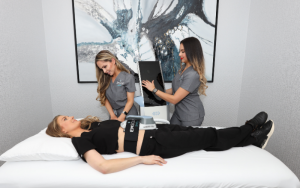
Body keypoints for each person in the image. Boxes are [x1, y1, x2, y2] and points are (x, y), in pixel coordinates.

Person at [46, 111, 274, 174]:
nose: (70, 117)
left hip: (155, 129)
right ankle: (249, 128)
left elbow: (121, 124)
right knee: (208, 135)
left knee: (197, 134)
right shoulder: (81, 142)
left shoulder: (90, 126)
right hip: (154, 143)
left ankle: (250, 141)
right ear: (62, 130)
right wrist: (141, 159)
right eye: (65, 119)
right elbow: (103, 167)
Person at [142, 37, 207, 127]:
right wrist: (154, 90)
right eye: (180, 51)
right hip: (179, 112)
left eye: (183, 51)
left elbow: (174, 99)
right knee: (170, 134)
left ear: (192, 51)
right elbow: (174, 90)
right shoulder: (182, 69)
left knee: (184, 140)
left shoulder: (193, 75)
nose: (179, 54)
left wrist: (154, 90)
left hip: (191, 115)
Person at [95, 50, 138, 122]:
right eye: (101, 69)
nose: (104, 71)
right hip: (113, 115)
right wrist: (112, 115)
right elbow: (104, 98)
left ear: (113, 61)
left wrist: (122, 116)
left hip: (128, 113)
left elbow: (130, 101)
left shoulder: (128, 77)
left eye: (105, 66)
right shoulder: (105, 79)